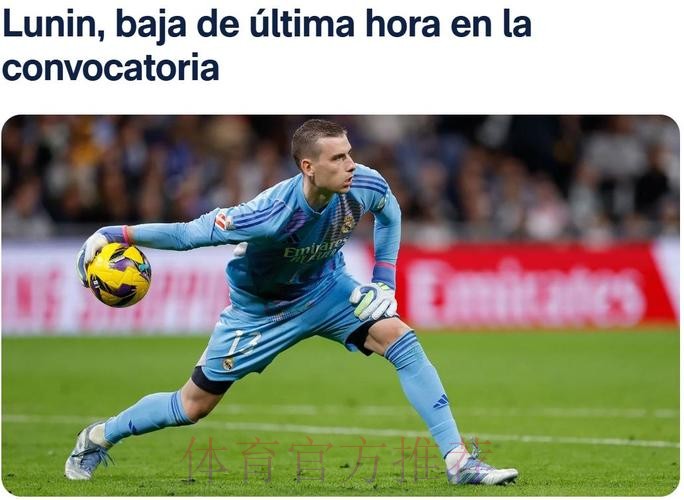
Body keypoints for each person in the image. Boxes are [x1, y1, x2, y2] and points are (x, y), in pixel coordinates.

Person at [65, 119, 518, 485]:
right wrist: (115, 233)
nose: (351, 165)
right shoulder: (267, 214)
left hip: (326, 290)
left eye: (349, 153)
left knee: (401, 340)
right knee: (191, 406)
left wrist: (384, 282)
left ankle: (459, 461)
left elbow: (389, 212)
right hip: (259, 313)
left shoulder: (363, 183)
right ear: (308, 167)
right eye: (338, 158)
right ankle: (98, 437)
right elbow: (187, 235)